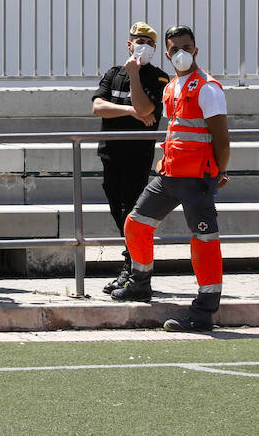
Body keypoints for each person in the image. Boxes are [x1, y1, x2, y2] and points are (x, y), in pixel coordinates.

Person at [112, 25, 230, 332]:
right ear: (168, 53)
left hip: (197, 178)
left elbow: (222, 139)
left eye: (186, 47)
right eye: (175, 48)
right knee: (136, 224)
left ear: (196, 50)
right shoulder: (171, 88)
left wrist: (219, 172)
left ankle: (204, 311)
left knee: (204, 240)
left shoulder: (207, 87)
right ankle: (140, 282)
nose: (181, 53)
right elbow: (174, 129)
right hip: (169, 174)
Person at [92, 22, 169, 294]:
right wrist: (131, 112)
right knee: (116, 208)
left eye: (149, 43)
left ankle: (134, 269)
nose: (143, 47)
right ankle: (132, 263)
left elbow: (147, 106)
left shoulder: (158, 77)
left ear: (155, 49)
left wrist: (135, 75)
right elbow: (98, 107)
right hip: (111, 152)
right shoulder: (113, 73)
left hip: (137, 153)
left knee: (131, 211)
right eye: (139, 41)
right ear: (129, 44)